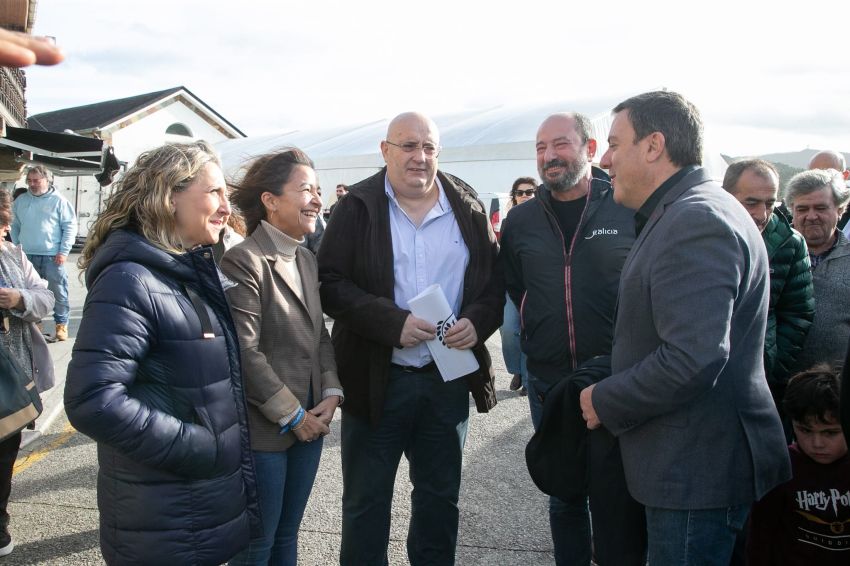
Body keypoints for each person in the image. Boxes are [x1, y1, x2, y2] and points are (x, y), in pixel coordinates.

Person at [580, 90, 790, 565]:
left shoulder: (695, 219)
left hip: (696, 472)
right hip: (691, 466)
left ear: (653, 146)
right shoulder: (687, 209)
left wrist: (604, 399)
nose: (606, 158)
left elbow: (693, 356)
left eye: (615, 143)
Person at [318, 112, 502, 565]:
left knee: (440, 501)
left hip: (447, 379)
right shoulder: (357, 206)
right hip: (377, 380)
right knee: (366, 504)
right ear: (385, 151)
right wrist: (389, 322)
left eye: (429, 148)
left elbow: (495, 283)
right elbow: (329, 282)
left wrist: (478, 321)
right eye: (407, 146)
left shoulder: (467, 205)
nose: (419, 157)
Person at [64, 141, 259, 565]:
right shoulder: (130, 280)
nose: (227, 206)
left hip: (195, 513)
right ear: (170, 195)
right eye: (215, 192)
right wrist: (199, 446)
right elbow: (92, 400)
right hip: (166, 524)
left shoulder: (181, 272)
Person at [500, 113, 645, 565]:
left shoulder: (626, 207)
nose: (548, 156)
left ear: (590, 146)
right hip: (551, 384)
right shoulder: (520, 221)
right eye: (541, 147)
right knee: (564, 496)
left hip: (617, 378)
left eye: (560, 144)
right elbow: (517, 289)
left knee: (623, 494)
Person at [221, 148, 342, 565]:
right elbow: (244, 351)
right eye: (306, 189)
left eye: (319, 190)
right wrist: (294, 416)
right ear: (270, 201)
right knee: (259, 542)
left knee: (288, 535)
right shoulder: (244, 260)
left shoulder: (306, 257)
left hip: (312, 421)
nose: (317, 199)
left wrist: (330, 391)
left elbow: (317, 334)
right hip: (266, 431)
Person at [723, 159, 814, 414]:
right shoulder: (702, 237)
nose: (761, 214)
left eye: (770, 203)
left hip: (762, 383)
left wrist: (771, 365)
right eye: (751, 202)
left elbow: (798, 313)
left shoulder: (790, 243)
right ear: (726, 196)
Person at [747, 365, 849, 565]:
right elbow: (761, 538)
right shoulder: (782, 467)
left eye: (830, 433)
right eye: (805, 430)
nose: (817, 443)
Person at [0, 189, 55, 558]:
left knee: (5, 451)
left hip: (12, 376)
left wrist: (19, 299)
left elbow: (47, 299)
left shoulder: (15, 255)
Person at [787, 169, 850, 372]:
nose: (811, 216)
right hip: (774, 390)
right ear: (791, 211)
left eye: (821, 208)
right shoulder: (770, 253)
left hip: (833, 394)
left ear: (840, 210)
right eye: (802, 209)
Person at [11, 165, 78, 341]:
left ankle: (61, 325)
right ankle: (36, 325)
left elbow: (70, 227)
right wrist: (17, 248)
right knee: (31, 294)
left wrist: (63, 251)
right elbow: (14, 225)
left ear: (47, 180)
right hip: (26, 256)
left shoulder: (59, 201)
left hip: (52, 256)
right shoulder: (21, 201)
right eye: (29, 181)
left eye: (36, 180)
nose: (32, 184)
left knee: (58, 292)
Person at [502, 175, 536, 396]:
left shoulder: (544, 219)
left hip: (535, 286)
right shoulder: (508, 222)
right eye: (520, 192)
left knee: (530, 332)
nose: (524, 196)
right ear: (513, 197)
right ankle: (516, 369)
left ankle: (526, 377)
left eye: (529, 192)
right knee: (509, 330)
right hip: (511, 284)